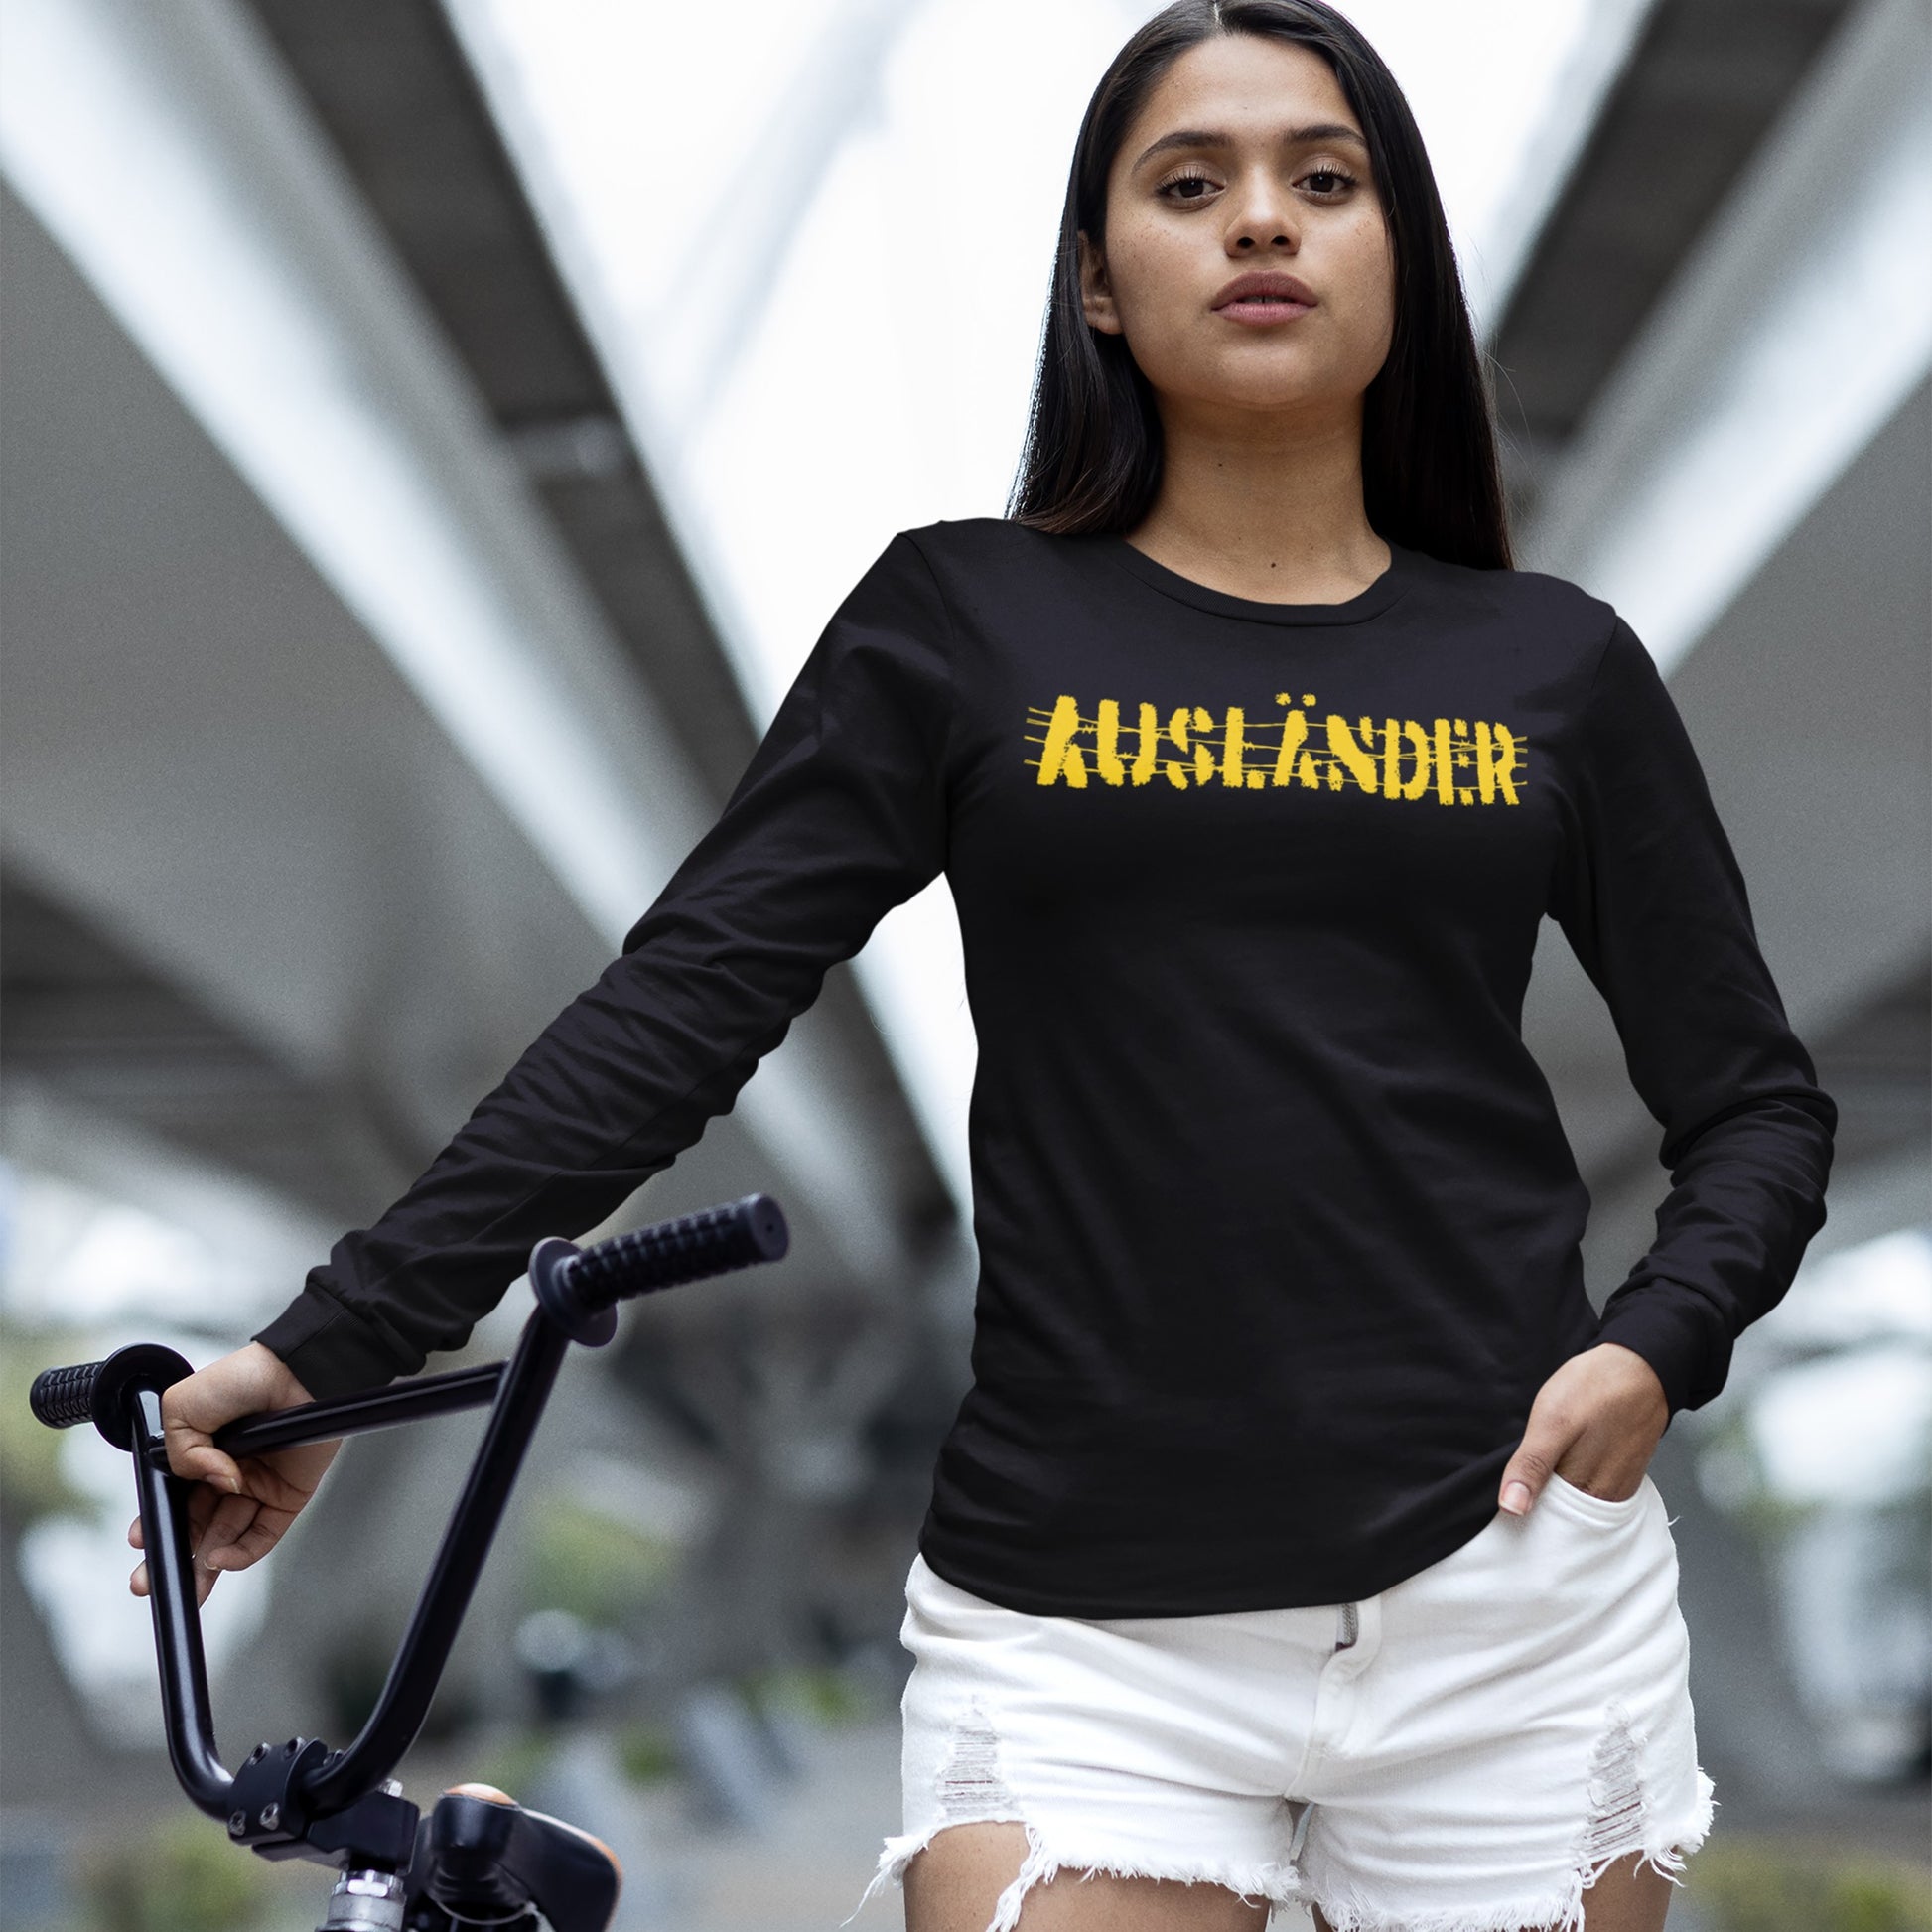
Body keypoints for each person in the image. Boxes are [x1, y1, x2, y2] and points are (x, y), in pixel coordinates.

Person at [129, 3, 1837, 1928]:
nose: (1260, 222)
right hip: (1084, 1613)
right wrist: (323, 1353)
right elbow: (677, 1011)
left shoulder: (1553, 668)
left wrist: (1647, 1346)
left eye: (1323, 181)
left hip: (1510, 1603)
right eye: (1189, 187)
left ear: (1394, 257)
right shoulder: (962, 621)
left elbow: (1754, 1105)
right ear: (1101, 283)